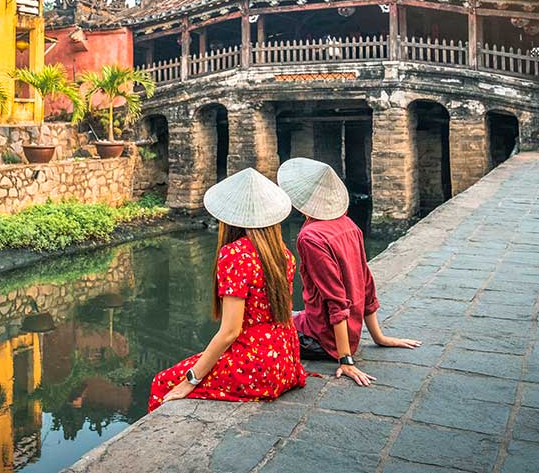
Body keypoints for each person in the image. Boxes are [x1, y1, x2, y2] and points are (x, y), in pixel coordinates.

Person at [149, 168, 306, 410]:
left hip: (256, 367)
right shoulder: (282, 254)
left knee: (162, 383)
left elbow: (230, 331)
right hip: (286, 360)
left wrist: (191, 380)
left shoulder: (235, 255)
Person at [278, 157, 421, 387]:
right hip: (344, 332)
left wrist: (345, 360)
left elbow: (335, 299)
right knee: (291, 314)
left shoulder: (310, 237)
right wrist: (378, 337)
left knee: (259, 328)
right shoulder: (349, 225)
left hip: (323, 339)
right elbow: (366, 283)